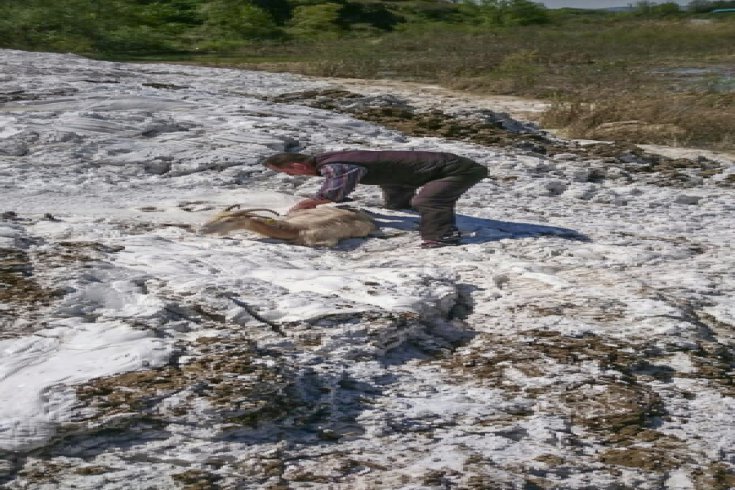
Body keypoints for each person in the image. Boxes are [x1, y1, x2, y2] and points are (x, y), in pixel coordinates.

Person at [263, 150, 488, 248]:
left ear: (296, 165)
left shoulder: (335, 165)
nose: (291, 176)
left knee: (428, 201)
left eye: (288, 172)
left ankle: (442, 236)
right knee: (395, 192)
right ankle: (403, 207)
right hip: (413, 173)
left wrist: (311, 202)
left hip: (458, 170)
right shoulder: (328, 160)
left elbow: (335, 190)